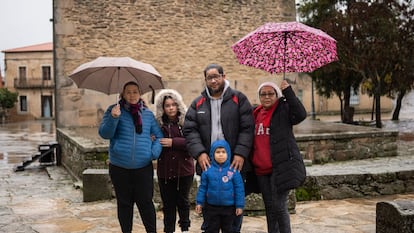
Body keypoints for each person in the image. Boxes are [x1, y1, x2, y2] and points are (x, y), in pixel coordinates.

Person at [183, 63, 254, 233]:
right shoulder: (198, 103)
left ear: (224, 76)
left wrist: (240, 153)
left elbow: (247, 128)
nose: (213, 81)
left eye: (216, 76)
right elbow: (189, 130)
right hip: (208, 165)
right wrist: (199, 153)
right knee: (210, 211)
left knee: (234, 210)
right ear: (205, 80)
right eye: (209, 78)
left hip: (234, 164)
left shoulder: (239, 99)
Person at [98, 81, 163, 233]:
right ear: (123, 94)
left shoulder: (147, 114)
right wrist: (114, 118)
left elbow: (159, 136)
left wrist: (153, 153)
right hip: (119, 167)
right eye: (128, 92)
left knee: (146, 203)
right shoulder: (113, 110)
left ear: (140, 94)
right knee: (124, 204)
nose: (132, 95)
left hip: (143, 167)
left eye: (135, 92)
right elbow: (104, 134)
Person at [252, 80, 307, 233]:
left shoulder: (283, 110)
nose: (267, 97)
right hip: (261, 168)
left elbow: (301, 114)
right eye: (263, 94)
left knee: (279, 206)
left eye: (271, 93)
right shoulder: (255, 113)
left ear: (277, 95)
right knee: (269, 207)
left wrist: (288, 92)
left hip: (280, 167)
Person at [154, 89, 195, 233]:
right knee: (168, 204)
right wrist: (152, 139)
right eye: (167, 105)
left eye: (173, 104)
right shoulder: (158, 125)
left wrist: (174, 142)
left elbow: (192, 143)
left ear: (178, 105)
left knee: (183, 202)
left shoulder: (187, 122)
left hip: (184, 170)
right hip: (165, 171)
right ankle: (168, 229)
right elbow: (153, 143)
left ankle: (185, 228)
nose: (171, 108)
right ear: (162, 108)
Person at [195, 139, 245, 233]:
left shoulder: (234, 171)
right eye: (218, 152)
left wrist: (239, 205)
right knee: (211, 229)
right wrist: (199, 203)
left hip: (229, 208)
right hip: (212, 207)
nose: (221, 154)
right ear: (212, 154)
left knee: (229, 229)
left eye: (223, 152)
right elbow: (203, 188)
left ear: (228, 154)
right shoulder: (207, 171)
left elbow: (239, 190)